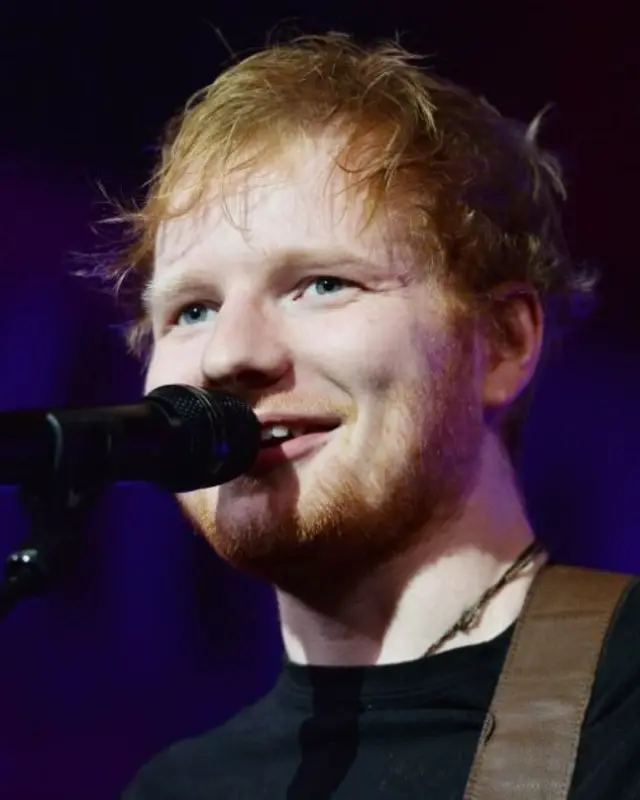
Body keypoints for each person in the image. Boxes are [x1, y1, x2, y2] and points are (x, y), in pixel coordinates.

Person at [116, 33, 640, 799]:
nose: (229, 355)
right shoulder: (176, 787)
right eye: (192, 309)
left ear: (500, 343)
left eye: (322, 284)